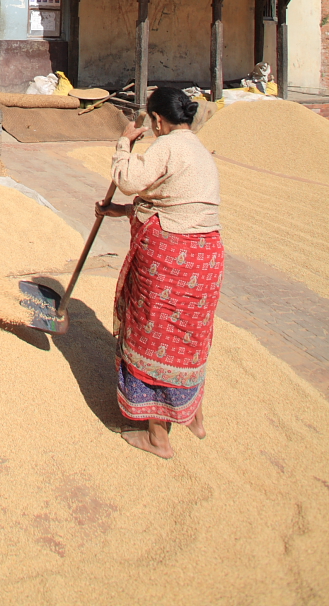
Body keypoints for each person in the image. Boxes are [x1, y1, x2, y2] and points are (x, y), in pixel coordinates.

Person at [97, 86, 223, 460]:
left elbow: (129, 180)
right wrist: (118, 212)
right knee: (190, 337)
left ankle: (157, 437)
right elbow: (167, 201)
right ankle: (193, 418)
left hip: (171, 260)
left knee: (155, 335)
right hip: (206, 258)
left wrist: (123, 143)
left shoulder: (166, 146)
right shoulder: (199, 149)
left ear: (156, 120)